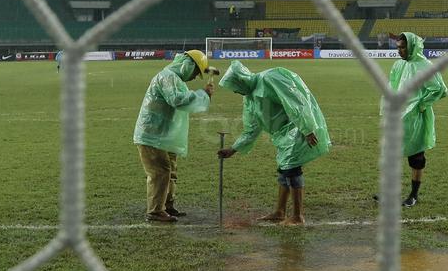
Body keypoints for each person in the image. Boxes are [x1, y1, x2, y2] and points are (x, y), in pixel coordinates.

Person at [217, 60, 331, 226]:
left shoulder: (270, 78)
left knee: (291, 169)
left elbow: (295, 100)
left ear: (241, 80)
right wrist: (233, 149)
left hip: (296, 128)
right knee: (284, 169)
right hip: (282, 136)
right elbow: (251, 129)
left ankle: (298, 216)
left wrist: (307, 128)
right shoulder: (249, 99)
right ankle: (280, 211)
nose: (235, 92)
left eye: (235, 87)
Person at [133, 50, 218, 223]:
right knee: (161, 171)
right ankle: (155, 211)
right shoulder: (167, 76)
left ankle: (167, 206)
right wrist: (203, 94)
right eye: (195, 72)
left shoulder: (176, 80)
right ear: (188, 64)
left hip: (164, 136)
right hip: (152, 135)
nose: (195, 77)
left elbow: (184, 103)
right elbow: (177, 100)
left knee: (170, 171)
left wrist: (203, 95)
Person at [386, 32, 448, 208]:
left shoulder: (425, 66)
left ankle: (413, 195)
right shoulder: (399, 65)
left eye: (403, 47)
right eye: (398, 47)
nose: (400, 51)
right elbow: (392, 86)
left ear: (412, 46)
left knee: (416, 157)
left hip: (416, 118)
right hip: (399, 116)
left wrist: (422, 104)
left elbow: (441, 89)